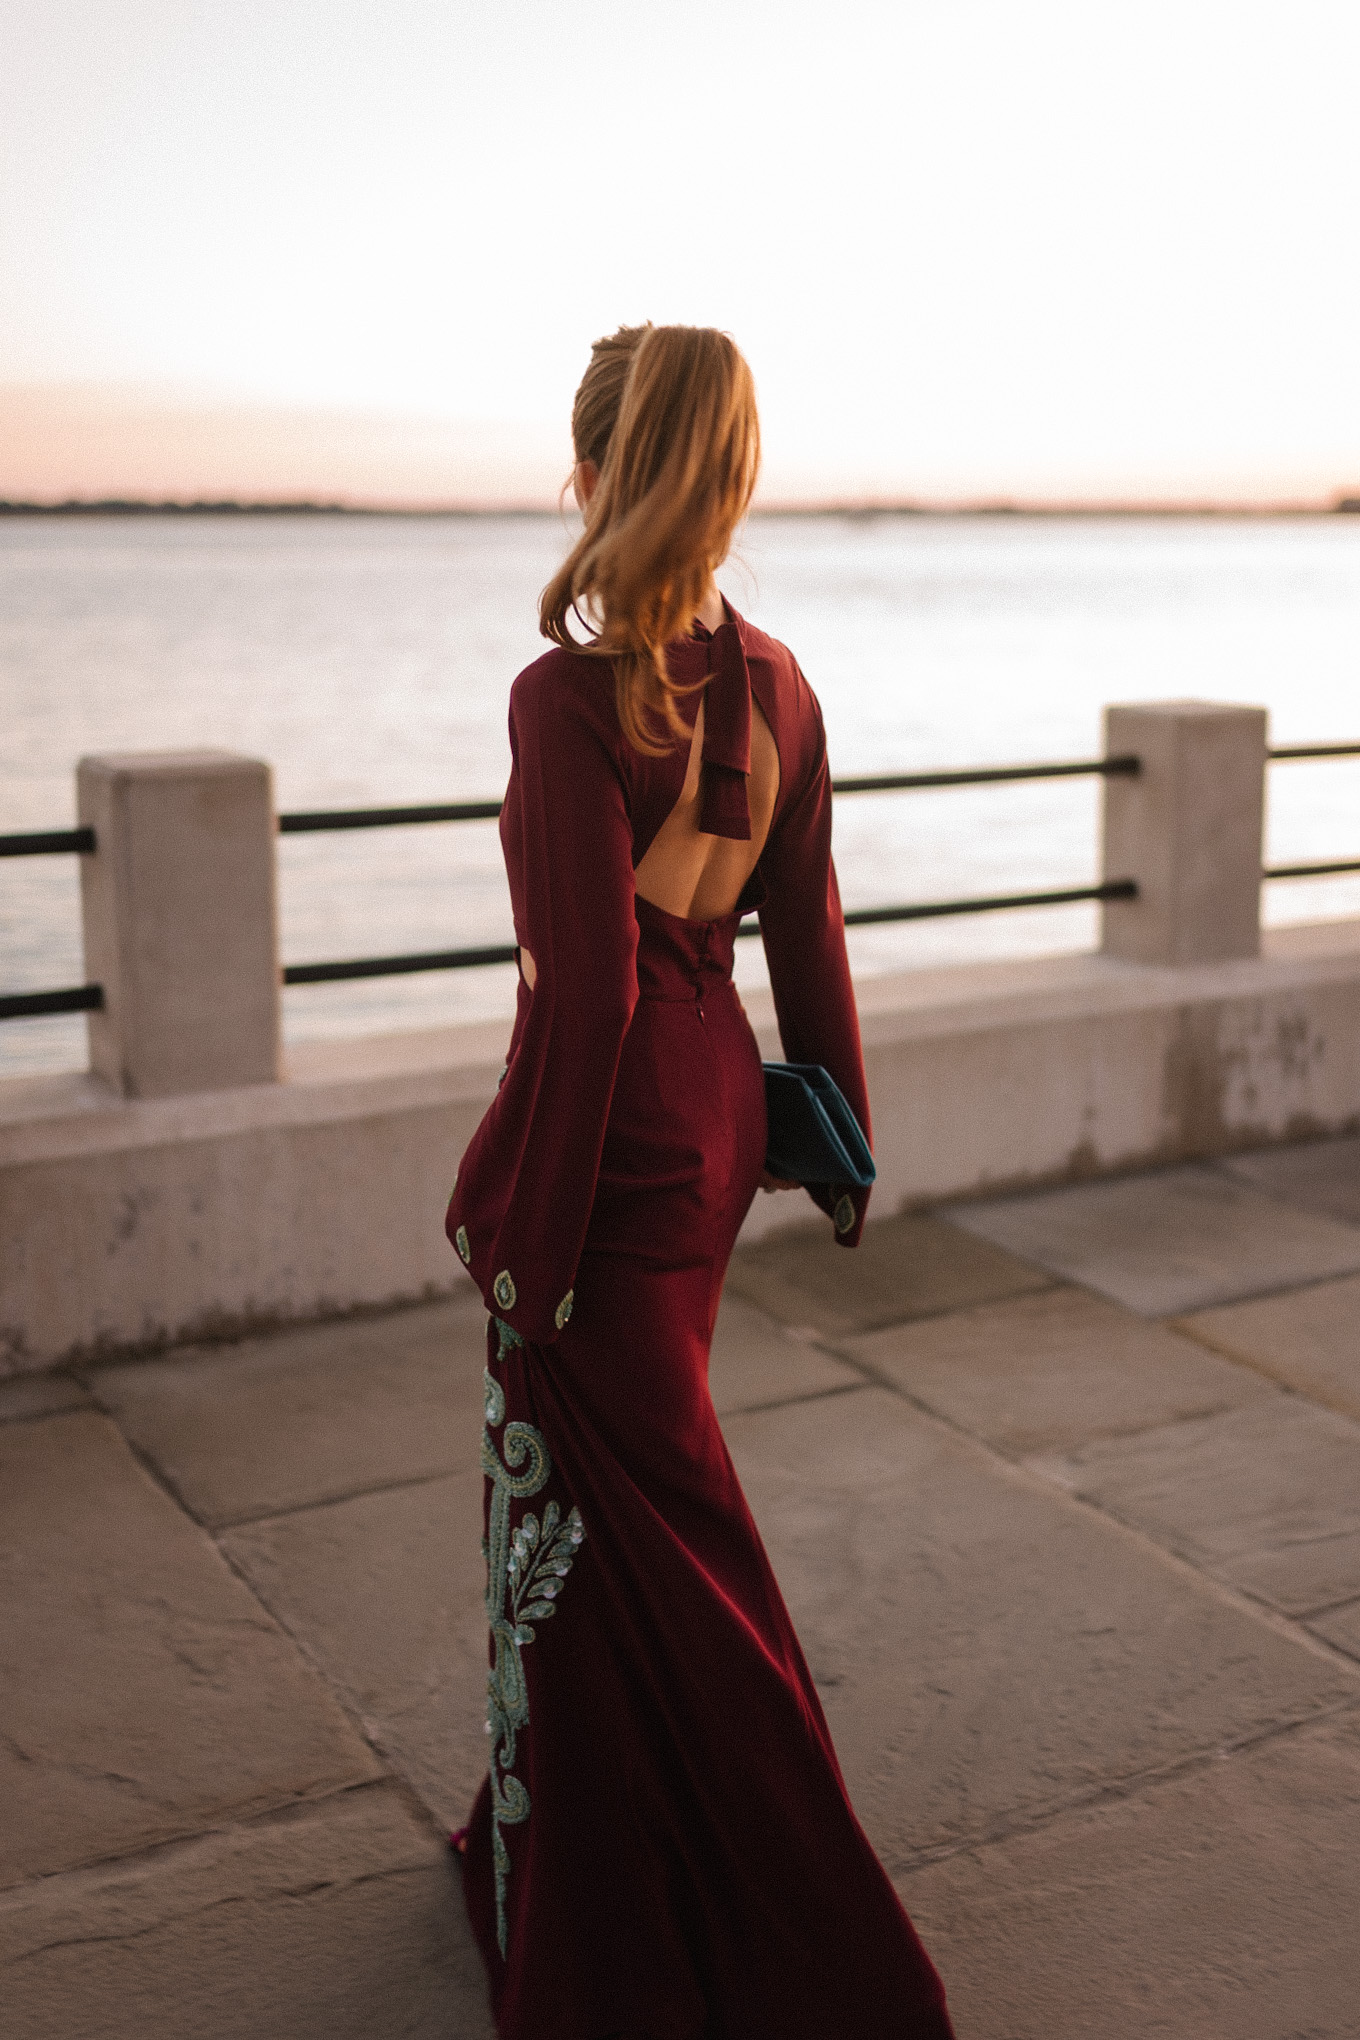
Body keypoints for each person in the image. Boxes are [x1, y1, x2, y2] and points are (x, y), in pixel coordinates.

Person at [446, 323, 954, 2039]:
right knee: (619, 1518)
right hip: (718, 1119)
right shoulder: (783, 683)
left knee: (653, 1533)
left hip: (616, 1147)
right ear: (729, 476)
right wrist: (843, 1145)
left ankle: (812, 1945)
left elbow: (586, 995)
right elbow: (808, 928)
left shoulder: (567, 700)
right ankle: (602, 1855)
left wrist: (524, 1242)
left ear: (598, 470)